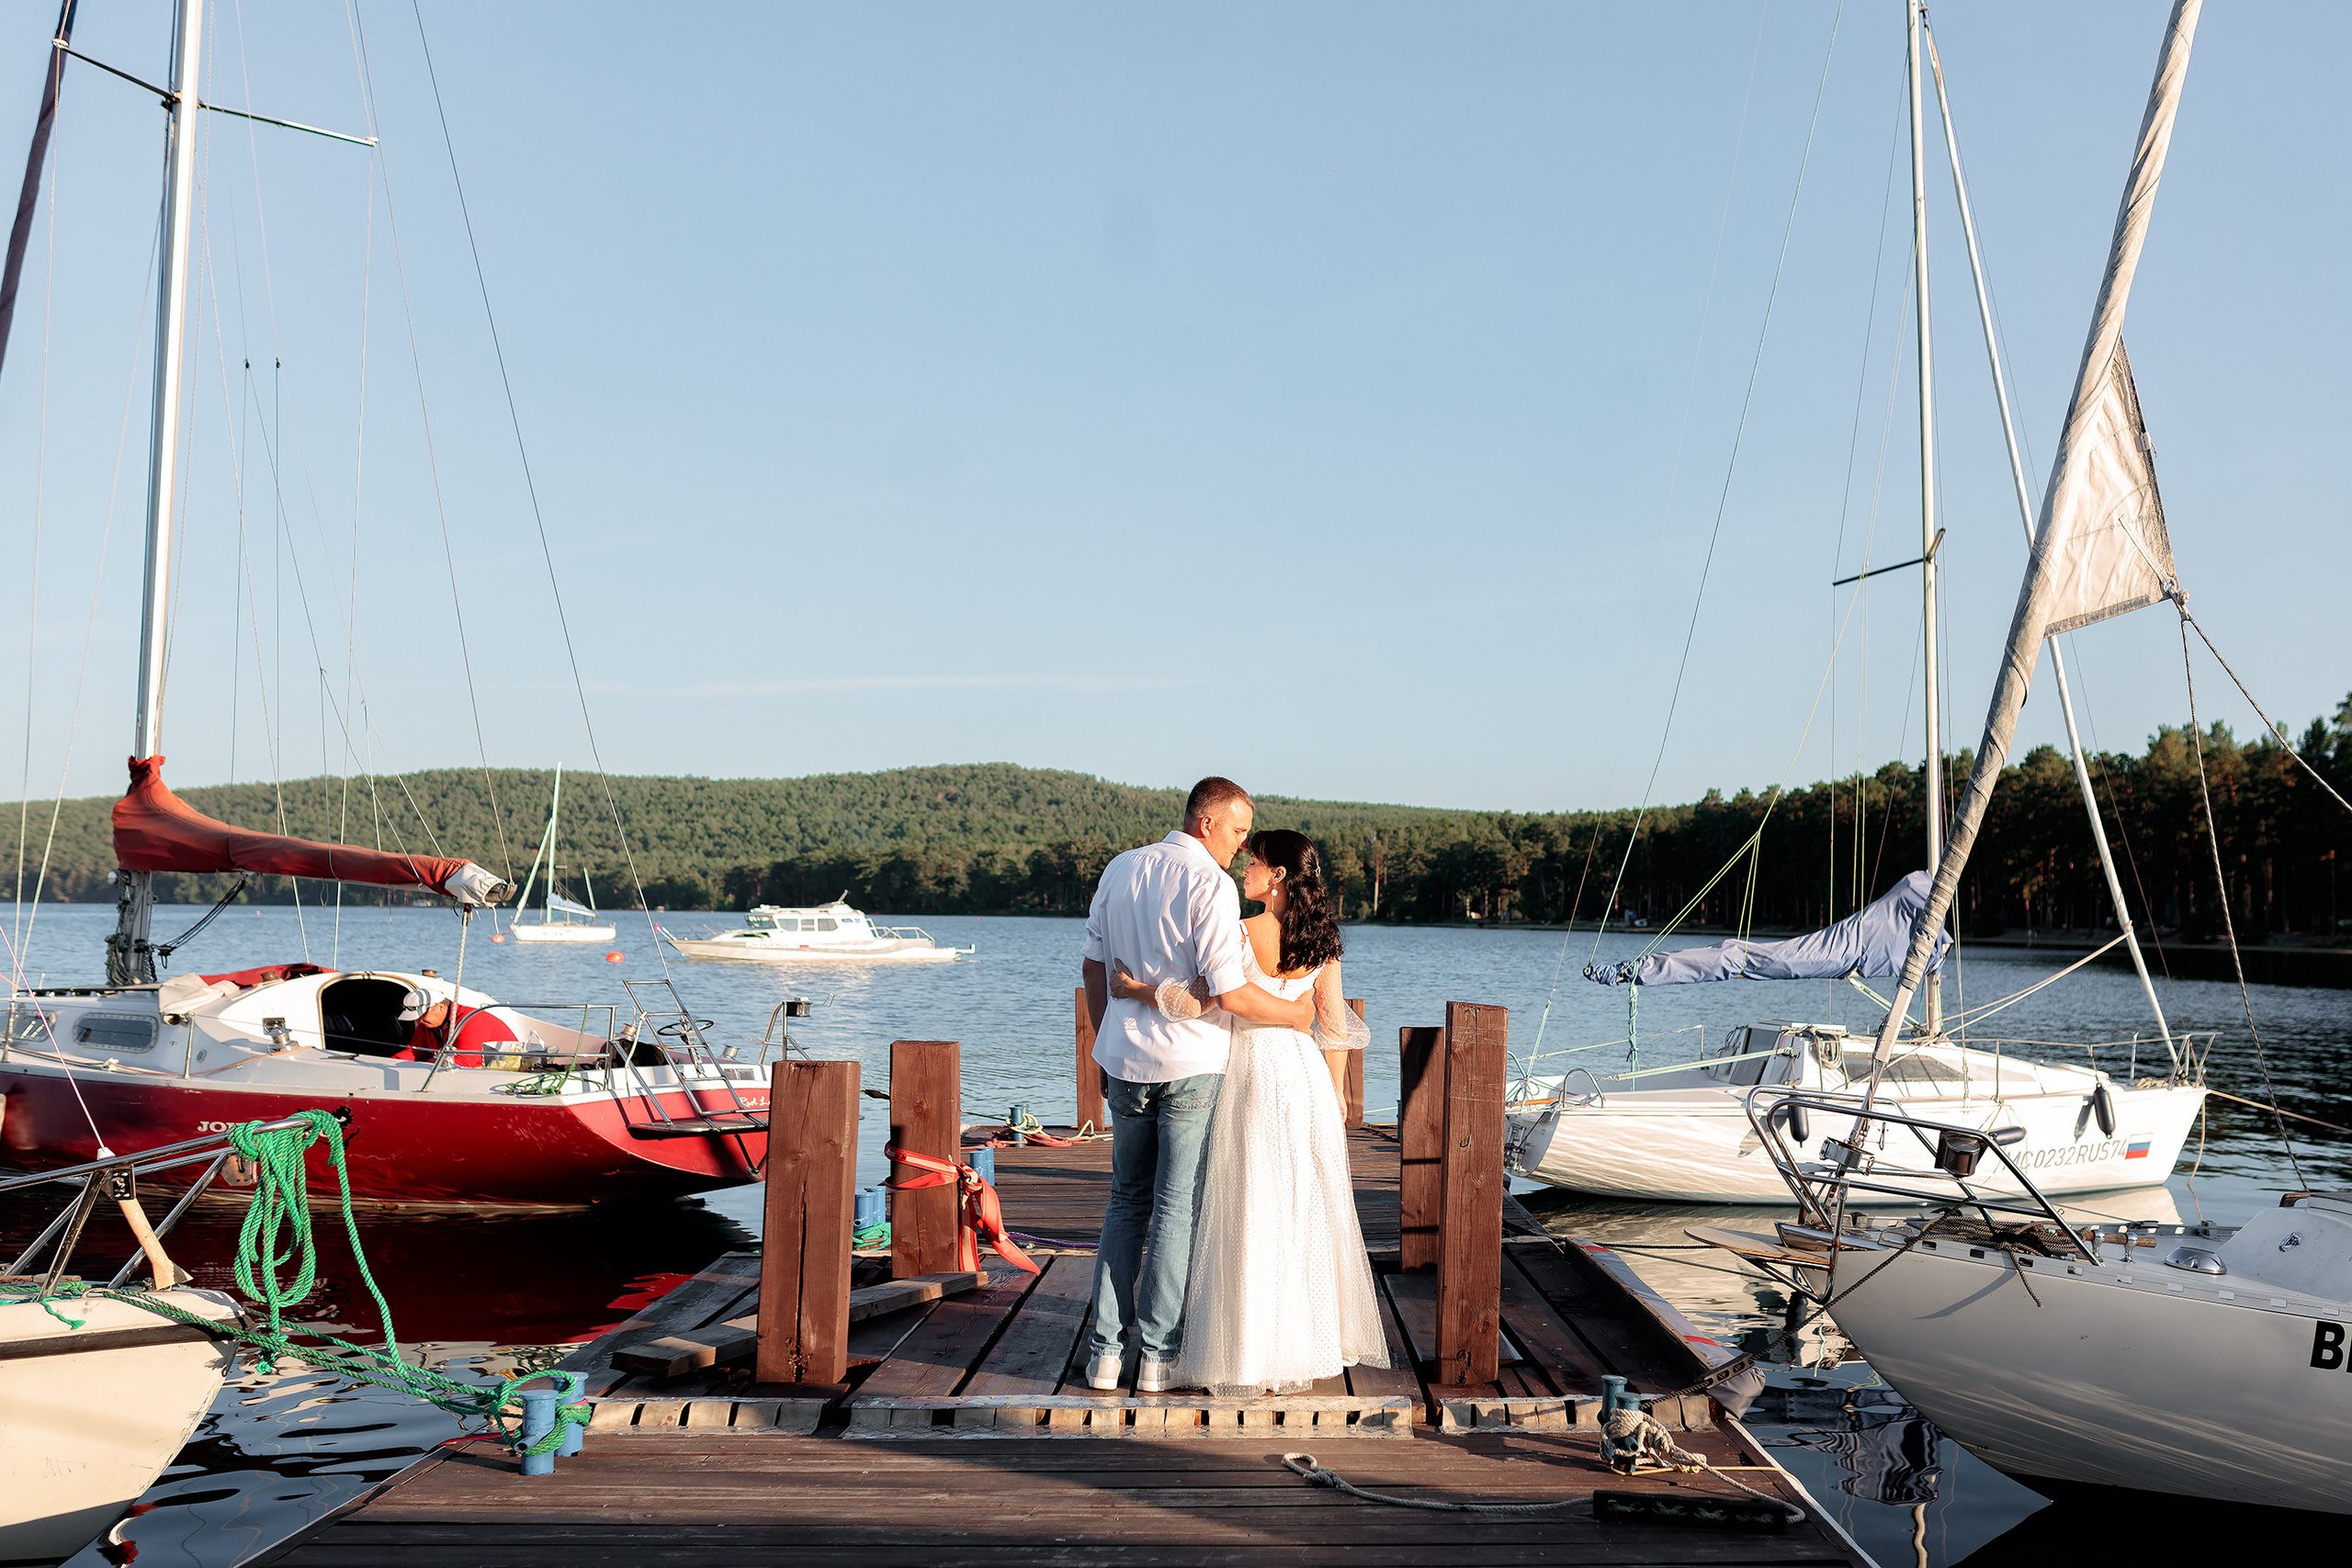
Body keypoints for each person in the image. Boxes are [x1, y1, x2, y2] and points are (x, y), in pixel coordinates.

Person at [1110, 827, 1388, 1394]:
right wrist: (1334, 1096)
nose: (1245, 867)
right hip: (1305, 1075)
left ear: (1277, 876)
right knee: (1297, 1207)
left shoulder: (1239, 933)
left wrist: (1136, 990)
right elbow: (1333, 1029)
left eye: (1255, 861)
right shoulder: (1325, 941)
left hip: (1250, 1072)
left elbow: (1203, 1000)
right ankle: (1301, 1340)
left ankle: (1244, 1344)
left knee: (1241, 1203)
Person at [1079, 777, 1317, 1393]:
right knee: (1175, 1205)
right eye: (1239, 831)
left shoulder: (1121, 868)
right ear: (1208, 822)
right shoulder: (1208, 882)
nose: (1242, 847)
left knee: (1125, 1198)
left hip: (1125, 1060)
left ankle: (1105, 1354)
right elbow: (1230, 990)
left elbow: (1092, 964)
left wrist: (1109, 1037)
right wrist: (1295, 1014)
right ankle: (1157, 1357)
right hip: (1191, 1064)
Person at [390, 993, 519, 1067]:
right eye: (417, 1018)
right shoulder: (427, 1025)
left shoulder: (471, 1020)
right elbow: (414, 1053)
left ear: (440, 1007)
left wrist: (423, 1065)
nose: (419, 1021)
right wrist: (391, 1062)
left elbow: (466, 1061)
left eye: (422, 1015)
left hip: (498, 1075)